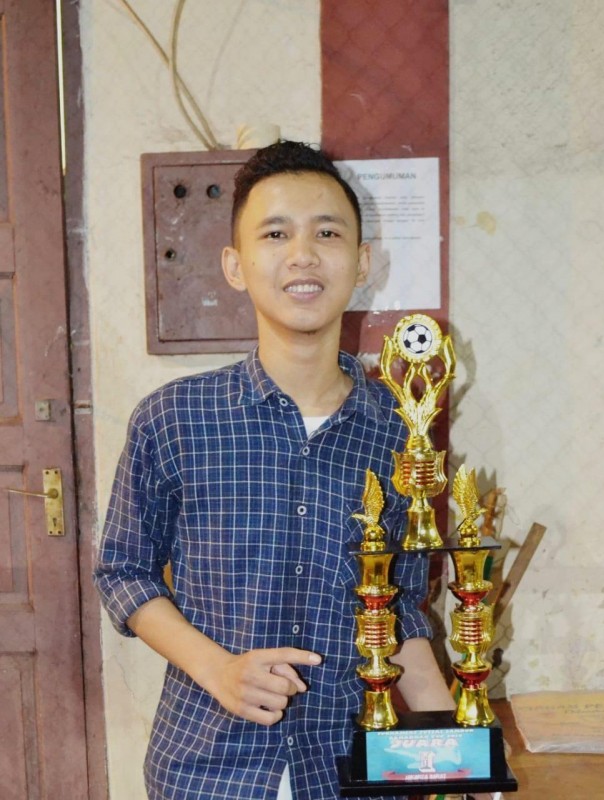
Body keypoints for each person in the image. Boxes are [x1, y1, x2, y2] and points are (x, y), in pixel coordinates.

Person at [94, 141, 491, 800]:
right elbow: (123, 571)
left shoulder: (400, 432)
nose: (303, 254)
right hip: (205, 770)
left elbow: (401, 609)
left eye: (326, 233)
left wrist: (458, 752)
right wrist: (217, 669)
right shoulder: (173, 419)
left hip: (348, 768)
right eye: (275, 234)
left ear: (362, 263)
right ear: (235, 265)